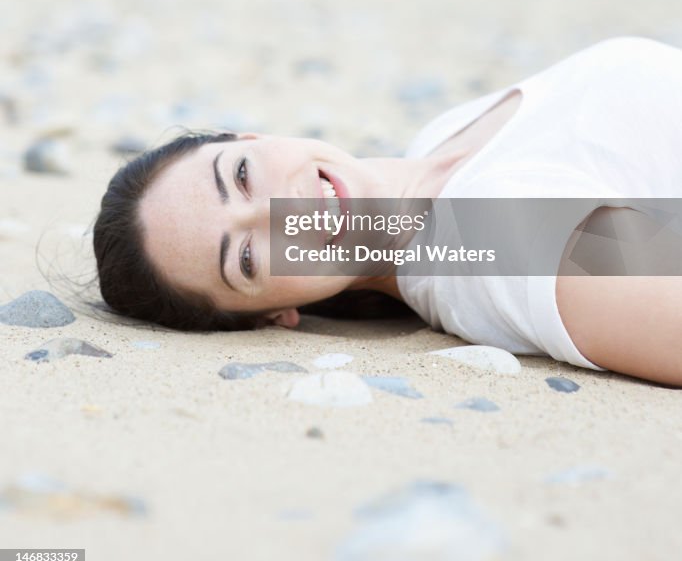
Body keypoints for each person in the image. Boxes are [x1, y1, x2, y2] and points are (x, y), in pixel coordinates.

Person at [93, 35, 682, 386]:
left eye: (242, 177)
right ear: (275, 316)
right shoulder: (491, 244)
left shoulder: (439, 139)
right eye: (245, 257)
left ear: (248, 137)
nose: (282, 212)